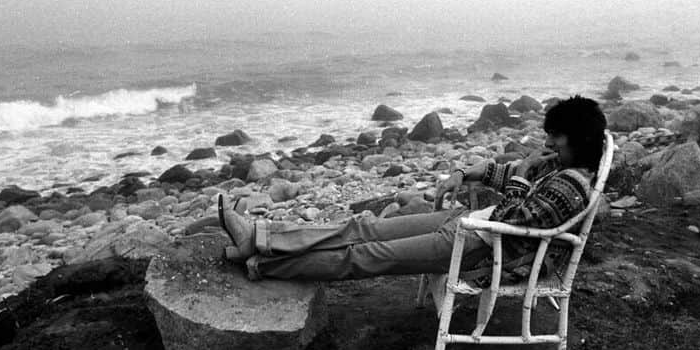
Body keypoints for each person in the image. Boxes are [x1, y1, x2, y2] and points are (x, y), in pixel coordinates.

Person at [217, 95, 607, 282]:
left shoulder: (571, 188)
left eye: (557, 137)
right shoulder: (564, 164)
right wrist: (469, 173)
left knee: (366, 256)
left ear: (580, 139)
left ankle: (265, 263)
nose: (550, 144)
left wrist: (521, 172)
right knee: (362, 227)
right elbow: (509, 179)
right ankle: (260, 236)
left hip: (482, 243)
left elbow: (515, 216)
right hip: (470, 223)